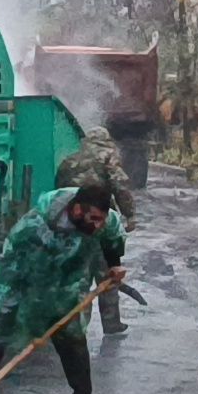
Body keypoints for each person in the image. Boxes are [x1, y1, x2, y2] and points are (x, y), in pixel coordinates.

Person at [0, 184, 126, 394]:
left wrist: (114, 264)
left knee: (74, 343)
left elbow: (112, 237)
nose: (98, 226)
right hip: (20, 281)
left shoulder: (105, 220)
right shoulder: (33, 227)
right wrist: (31, 317)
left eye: (101, 220)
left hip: (67, 285)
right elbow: (14, 270)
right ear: (77, 210)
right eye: (94, 219)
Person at [56, 128, 138, 335]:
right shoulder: (107, 157)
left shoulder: (69, 160)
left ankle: (76, 327)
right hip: (99, 222)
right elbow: (120, 187)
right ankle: (111, 323)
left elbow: (59, 190)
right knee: (108, 273)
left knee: (78, 277)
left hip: (73, 224)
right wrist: (129, 214)